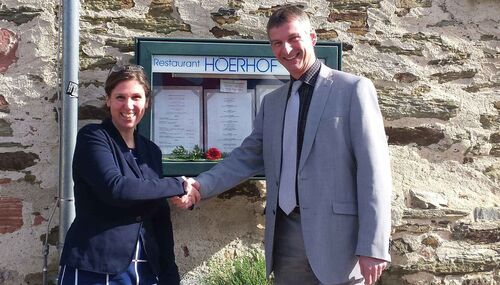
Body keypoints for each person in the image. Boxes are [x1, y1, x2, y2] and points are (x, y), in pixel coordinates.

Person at [174, 5, 392, 285]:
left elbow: (375, 173)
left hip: (340, 243)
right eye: (277, 43)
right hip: (286, 239)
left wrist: (373, 246)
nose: (286, 50)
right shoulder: (273, 103)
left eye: (293, 39)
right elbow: (247, 157)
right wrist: (201, 186)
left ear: (312, 38)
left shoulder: (353, 90)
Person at [58, 64, 200, 285]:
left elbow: (160, 217)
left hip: (144, 267)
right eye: (120, 97)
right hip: (95, 267)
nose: (129, 105)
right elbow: (116, 188)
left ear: (147, 102)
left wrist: (169, 273)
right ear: (108, 100)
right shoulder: (94, 138)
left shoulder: (151, 151)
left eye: (136, 97)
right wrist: (179, 184)